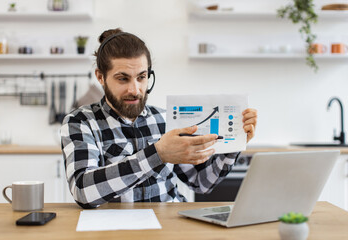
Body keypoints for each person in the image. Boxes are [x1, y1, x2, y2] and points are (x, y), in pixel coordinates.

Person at [61, 28, 258, 209]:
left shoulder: (164, 119)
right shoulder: (80, 122)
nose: (135, 90)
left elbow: (201, 183)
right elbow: (83, 191)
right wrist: (158, 153)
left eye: (141, 77)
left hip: (171, 225)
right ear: (101, 77)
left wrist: (234, 144)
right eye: (123, 78)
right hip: (115, 229)